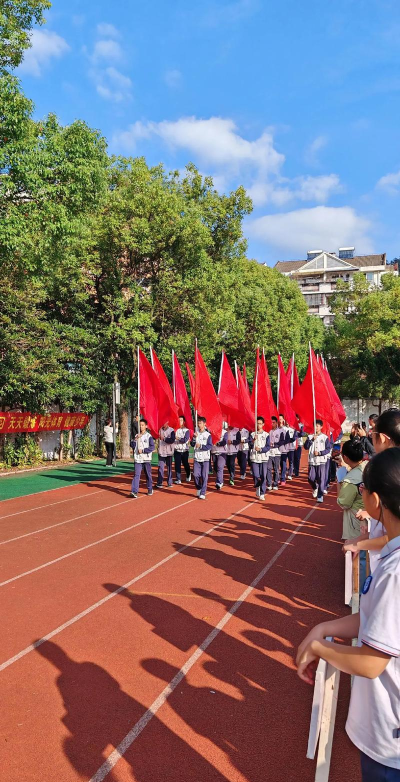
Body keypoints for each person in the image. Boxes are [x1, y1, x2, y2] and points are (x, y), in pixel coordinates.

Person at [297, 448, 400, 782]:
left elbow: (371, 663)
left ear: (373, 501)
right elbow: (376, 619)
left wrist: (321, 648)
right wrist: (325, 626)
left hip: (389, 739)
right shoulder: (392, 558)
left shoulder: (395, 572)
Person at [337, 441, 366, 539]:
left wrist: (339, 481)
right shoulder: (370, 466)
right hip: (372, 516)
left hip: (357, 520)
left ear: (345, 457)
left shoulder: (350, 480)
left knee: (356, 549)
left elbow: (344, 503)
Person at [304, 420, 330, 503]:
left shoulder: (325, 437)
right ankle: (315, 488)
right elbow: (306, 447)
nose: (316, 427)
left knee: (321, 479)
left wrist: (320, 453)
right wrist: (311, 440)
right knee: (310, 478)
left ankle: (320, 495)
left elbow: (328, 449)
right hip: (312, 461)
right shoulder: (310, 436)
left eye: (318, 426)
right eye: (315, 426)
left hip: (321, 461)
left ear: (321, 427)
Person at [130, 419, 155, 498]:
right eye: (140, 425)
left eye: (142, 425)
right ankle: (134, 491)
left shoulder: (149, 436)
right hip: (138, 459)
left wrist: (143, 450)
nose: (141, 427)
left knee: (148, 474)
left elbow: (152, 447)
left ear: (146, 426)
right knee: (136, 475)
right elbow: (132, 445)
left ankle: (150, 488)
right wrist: (135, 439)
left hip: (146, 459)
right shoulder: (137, 435)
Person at [191, 417, 213, 500]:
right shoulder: (196, 434)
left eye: (200, 423)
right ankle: (199, 488)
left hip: (205, 458)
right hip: (197, 457)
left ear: (204, 424)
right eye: (198, 423)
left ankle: (203, 492)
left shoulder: (208, 435)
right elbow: (192, 444)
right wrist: (193, 438)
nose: (199, 425)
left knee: (204, 476)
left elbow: (209, 446)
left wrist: (201, 446)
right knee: (195, 475)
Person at [249, 416, 270, 500]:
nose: (259, 425)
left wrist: (261, 449)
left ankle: (262, 493)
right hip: (254, 457)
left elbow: (268, 447)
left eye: (260, 424)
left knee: (263, 476)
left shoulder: (266, 435)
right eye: (257, 423)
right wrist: (253, 440)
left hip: (263, 458)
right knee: (255, 475)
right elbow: (250, 445)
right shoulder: (252, 434)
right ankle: (257, 486)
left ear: (263, 424)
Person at [267, 416, 285, 490]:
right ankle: (269, 483)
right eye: (271, 422)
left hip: (277, 452)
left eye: (274, 422)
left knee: (276, 469)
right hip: (270, 452)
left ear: (277, 423)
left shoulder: (280, 431)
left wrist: (275, 444)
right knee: (268, 468)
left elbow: (282, 441)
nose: (272, 424)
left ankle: (275, 483)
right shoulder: (269, 431)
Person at [156, 422, 176, 488]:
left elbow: (172, 440)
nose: (163, 423)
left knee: (169, 467)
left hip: (169, 452)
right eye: (162, 422)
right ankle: (159, 482)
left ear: (168, 422)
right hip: (161, 451)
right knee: (160, 467)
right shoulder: (159, 430)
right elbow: (154, 436)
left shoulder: (171, 430)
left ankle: (169, 482)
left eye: (165, 422)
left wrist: (164, 439)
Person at [173, 416, 191, 484]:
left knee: (185, 464)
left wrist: (178, 438)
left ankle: (188, 474)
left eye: (181, 420)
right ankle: (178, 478)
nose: (179, 422)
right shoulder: (175, 430)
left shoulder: (187, 430)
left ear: (184, 422)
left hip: (184, 451)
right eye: (178, 420)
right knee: (177, 464)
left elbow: (185, 440)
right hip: (177, 450)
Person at [211, 426, 228, 491]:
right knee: (215, 468)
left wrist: (218, 443)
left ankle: (219, 482)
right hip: (214, 452)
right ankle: (220, 479)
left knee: (220, 466)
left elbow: (224, 442)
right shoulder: (212, 432)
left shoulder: (224, 432)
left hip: (222, 452)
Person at [278, 414, 290, 485]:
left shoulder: (286, 429)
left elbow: (288, 439)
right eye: (278, 419)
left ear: (283, 420)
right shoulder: (275, 429)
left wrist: (281, 442)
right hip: (276, 450)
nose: (280, 421)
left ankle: (282, 478)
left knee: (283, 464)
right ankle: (277, 477)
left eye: (281, 419)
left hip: (284, 449)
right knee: (276, 465)